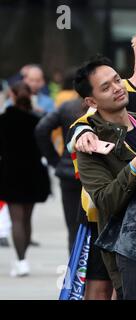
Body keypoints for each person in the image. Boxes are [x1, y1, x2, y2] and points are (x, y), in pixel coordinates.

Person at [72, 55, 136, 298]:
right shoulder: (90, 143)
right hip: (130, 247)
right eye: (106, 87)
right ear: (91, 100)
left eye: (117, 80)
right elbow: (105, 200)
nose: (117, 88)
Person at [0, 81, 51, 277]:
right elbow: (43, 146)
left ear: (11, 95)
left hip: (11, 172)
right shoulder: (37, 119)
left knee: (16, 220)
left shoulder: (3, 120)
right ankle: (23, 259)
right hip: (33, 172)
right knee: (27, 219)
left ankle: (21, 261)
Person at [35, 97, 87, 253]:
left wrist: (55, 160)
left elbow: (42, 129)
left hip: (69, 170)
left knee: (73, 227)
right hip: (98, 172)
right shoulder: (107, 106)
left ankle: (75, 271)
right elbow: (42, 129)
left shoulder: (67, 106)